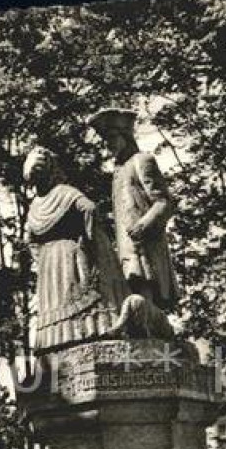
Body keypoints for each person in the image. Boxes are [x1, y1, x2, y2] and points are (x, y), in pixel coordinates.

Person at [22, 146, 128, 353]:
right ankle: (71, 339)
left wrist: (87, 244)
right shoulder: (59, 195)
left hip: (57, 260)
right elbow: (88, 209)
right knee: (64, 303)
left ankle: (71, 339)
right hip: (60, 259)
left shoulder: (59, 194)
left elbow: (88, 209)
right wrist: (87, 239)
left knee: (74, 303)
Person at [87, 107, 179, 311]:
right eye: (104, 140)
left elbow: (164, 202)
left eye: (111, 138)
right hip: (126, 247)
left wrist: (144, 224)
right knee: (133, 294)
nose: (107, 145)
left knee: (145, 295)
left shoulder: (142, 161)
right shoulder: (118, 172)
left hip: (145, 243)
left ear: (125, 136)